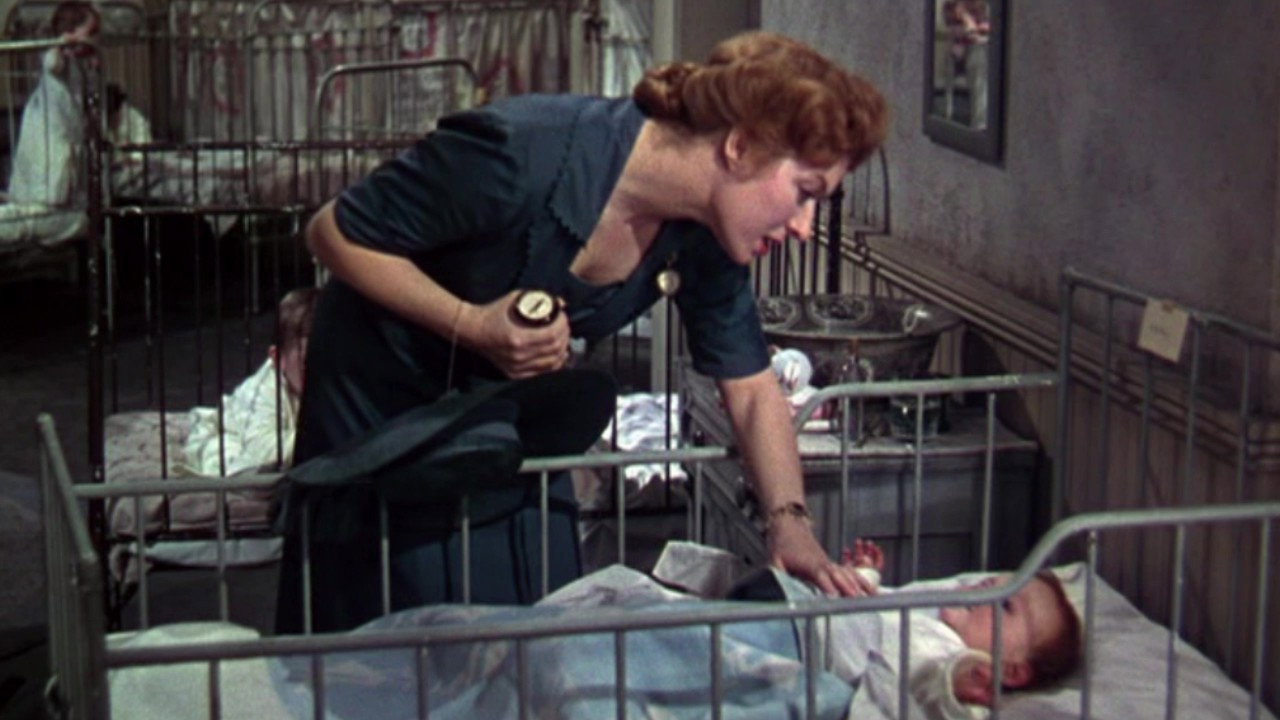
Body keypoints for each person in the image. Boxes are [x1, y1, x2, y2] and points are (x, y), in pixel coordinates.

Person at [285, 30, 890, 633]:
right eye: (805, 193)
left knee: (533, 631)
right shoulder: (521, 152)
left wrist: (790, 524)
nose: (805, 227)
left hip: (505, 422)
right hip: (385, 411)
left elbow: (752, 387)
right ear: (740, 147)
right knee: (389, 639)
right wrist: (473, 325)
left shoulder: (704, 236)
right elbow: (333, 231)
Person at [843, 539, 1082, 716]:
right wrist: (863, 576)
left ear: (1010, 671)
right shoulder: (925, 613)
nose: (986, 587)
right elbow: (875, 606)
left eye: (1006, 604)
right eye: (989, 582)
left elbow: (931, 698)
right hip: (827, 616)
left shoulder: (953, 660)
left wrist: (959, 685)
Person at [181, 287, 319, 477]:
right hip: (233, 433)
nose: (318, 372)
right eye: (305, 364)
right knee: (229, 462)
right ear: (278, 359)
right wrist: (323, 438)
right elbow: (262, 448)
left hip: (293, 443)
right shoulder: (265, 389)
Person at [6, 1, 99, 206]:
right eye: (90, 32)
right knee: (43, 182)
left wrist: (91, 61)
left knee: (62, 183)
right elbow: (51, 63)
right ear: (71, 33)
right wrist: (63, 42)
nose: (94, 39)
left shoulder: (75, 64)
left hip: (63, 133)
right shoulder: (56, 59)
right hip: (47, 132)